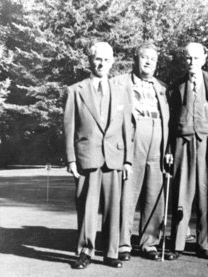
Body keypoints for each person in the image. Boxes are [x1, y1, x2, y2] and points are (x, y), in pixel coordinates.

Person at [63, 42, 133, 269]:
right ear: (90, 61)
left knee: (114, 208)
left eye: (106, 59)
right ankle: (85, 252)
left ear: (112, 61)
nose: (102, 63)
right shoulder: (75, 91)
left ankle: (111, 252)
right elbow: (69, 128)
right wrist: (71, 159)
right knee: (87, 209)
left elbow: (127, 128)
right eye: (97, 59)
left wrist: (128, 160)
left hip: (114, 158)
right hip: (87, 158)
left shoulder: (122, 91)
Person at [166, 42, 208, 260]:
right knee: (181, 193)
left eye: (196, 58)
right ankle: (178, 244)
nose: (192, 62)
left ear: (204, 59)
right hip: (183, 141)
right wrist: (170, 148)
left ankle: (205, 244)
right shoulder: (176, 86)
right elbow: (171, 121)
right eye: (188, 58)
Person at [117, 42, 171, 261]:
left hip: (157, 142)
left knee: (154, 194)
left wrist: (168, 148)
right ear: (135, 58)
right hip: (133, 141)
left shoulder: (162, 87)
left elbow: (169, 121)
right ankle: (122, 243)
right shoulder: (119, 83)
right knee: (128, 193)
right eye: (144, 57)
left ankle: (149, 242)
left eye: (153, 58)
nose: (148, 61)